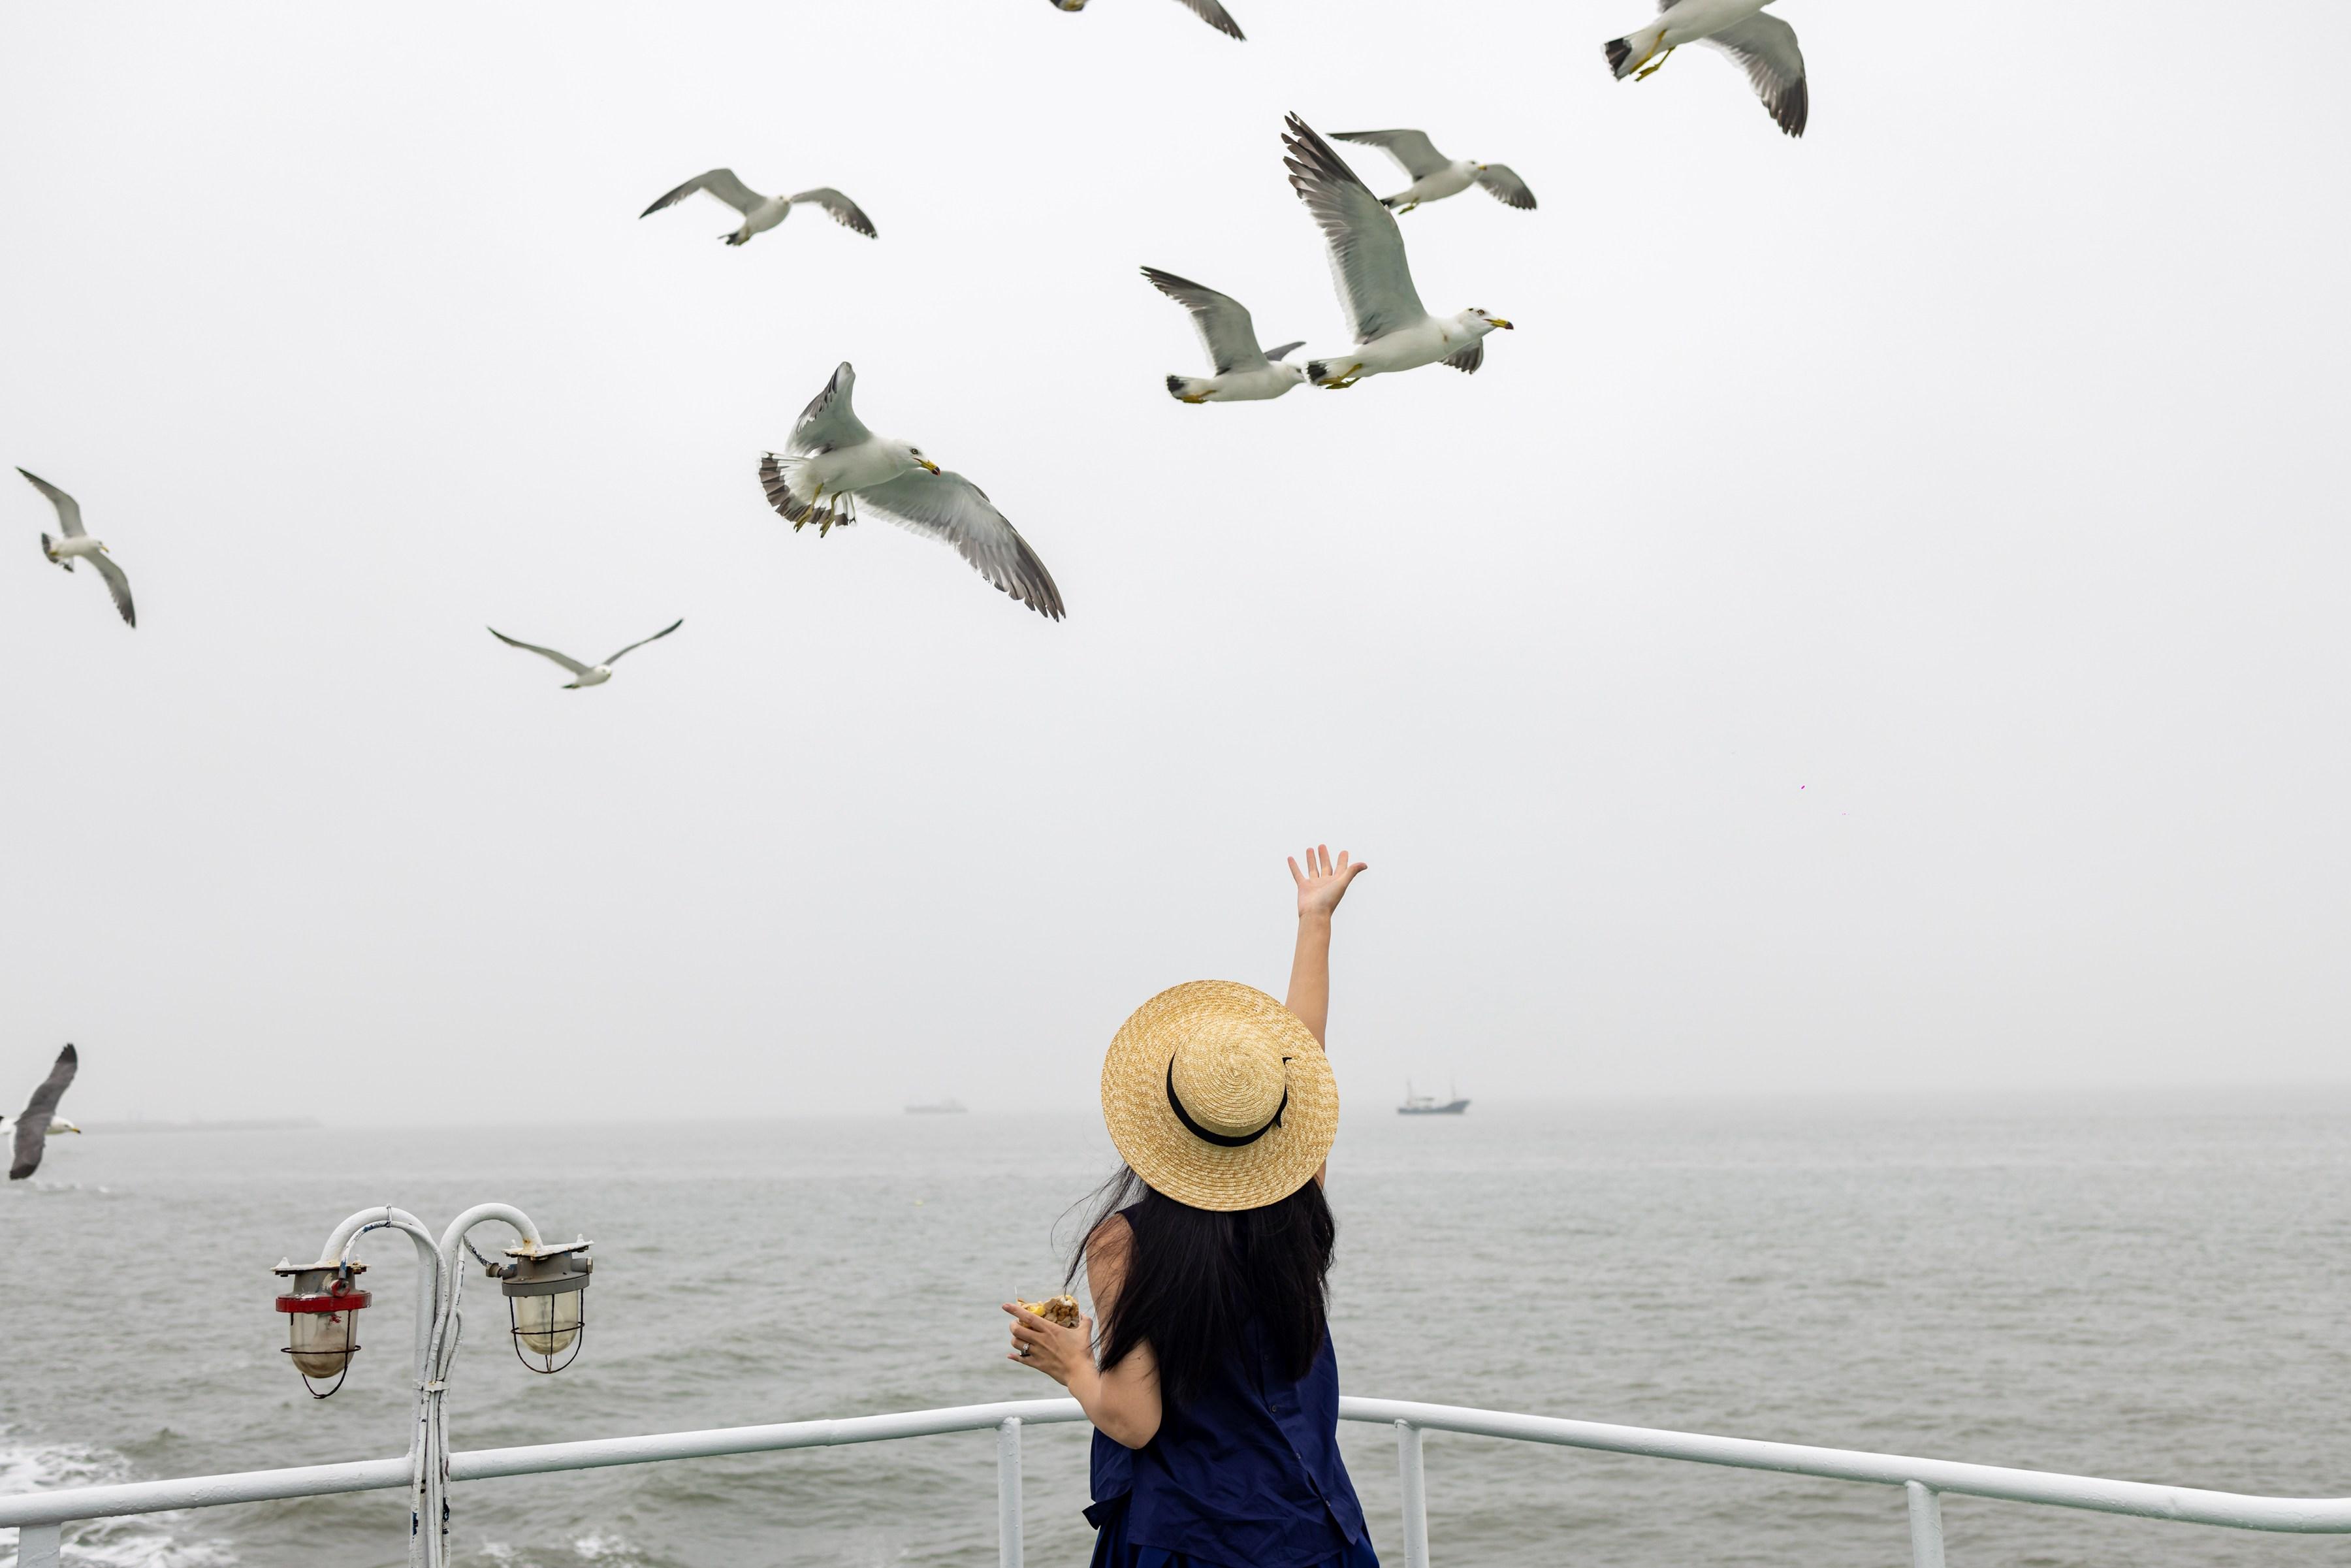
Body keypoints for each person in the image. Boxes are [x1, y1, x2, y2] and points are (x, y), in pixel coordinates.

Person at [1005, 843, 1375, 1568]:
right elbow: (1308, 1051)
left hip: (1190, 1541)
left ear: (1154, 1122)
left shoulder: (1127, 1242)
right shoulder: (1296, 1208)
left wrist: (1072, 1360)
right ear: (1277, 1122)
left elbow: (1135, 1421)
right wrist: (1315, 923)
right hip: (1310, 1526)